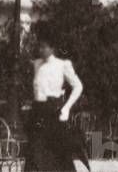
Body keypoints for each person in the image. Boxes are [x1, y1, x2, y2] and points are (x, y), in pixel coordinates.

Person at [24, 33, 84, 172]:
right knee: (34, 151)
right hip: (37, 112)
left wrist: (67, 107)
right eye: (40, 47)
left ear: (52, 48)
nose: (41, 50)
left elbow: (78, 86)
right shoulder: (37, 64)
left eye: (44, 47)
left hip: (53, 111)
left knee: (56, 153)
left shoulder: (62, 65)